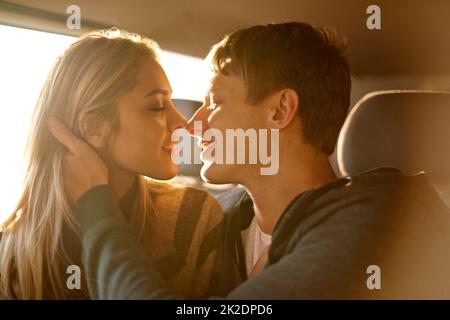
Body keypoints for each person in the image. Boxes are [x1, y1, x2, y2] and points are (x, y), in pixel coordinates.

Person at [49, 22, 450, 299]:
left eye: (216, 103)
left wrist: (95, 204)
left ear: (280, 111)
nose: (195, 123)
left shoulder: (381, 222)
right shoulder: (213, 221)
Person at [0, 28, 226, 299]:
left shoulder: (192, 217)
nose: (182, 123)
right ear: (94, 128)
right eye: (156, 106)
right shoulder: (10, 251)